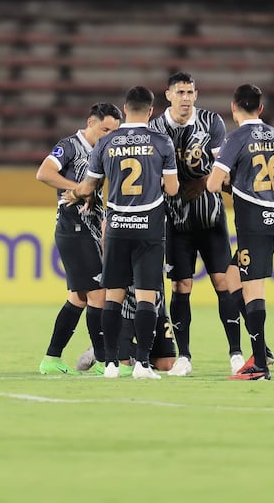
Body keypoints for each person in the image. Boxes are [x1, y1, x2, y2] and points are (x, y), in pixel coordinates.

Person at [64, 85, 179, 380]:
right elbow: (174, 188)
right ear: (151, 112)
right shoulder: (161, 141)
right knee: (145, 297)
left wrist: (76, 193)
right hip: (149, 227)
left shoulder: (107, 142)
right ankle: (142, 365)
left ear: (125, 109)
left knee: (112, 296)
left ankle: (112, 364)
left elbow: (88, 187)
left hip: (116, 227)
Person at [207, 84, 274, 380]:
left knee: (252, 289)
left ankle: (259, 365)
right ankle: (262, 348)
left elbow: (213, 184)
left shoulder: (236, 138)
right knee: (231, 277)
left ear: (233, 107)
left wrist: (230, 185)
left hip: (253, 222)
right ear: (260, 108)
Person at [148, 72, 244, 377]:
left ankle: (236, 354)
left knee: (222, 283)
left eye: (190, 92)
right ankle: (185, 356)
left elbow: (222, 167)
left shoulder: (211, 122)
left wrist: (202, 182)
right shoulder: (155, 129)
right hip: (175, 221)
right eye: (180, 92)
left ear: (196, 94)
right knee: (181, 286)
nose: (186, 98)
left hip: (210, 218)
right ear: (168, 95)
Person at [35, 102, 123, 375]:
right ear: (90, 123)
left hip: (91, 229)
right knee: (98, 293)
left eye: (113, 131)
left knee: (79, 298)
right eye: (105, 129)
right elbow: (44, 173)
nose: (108, 135)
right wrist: (79, 189)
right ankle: (103, 361)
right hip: (72, 227)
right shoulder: (70, 146)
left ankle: (51, 359)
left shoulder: (104, 151)